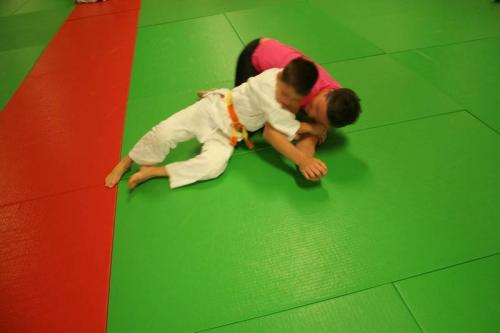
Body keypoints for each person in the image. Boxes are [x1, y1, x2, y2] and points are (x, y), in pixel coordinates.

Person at [105, 58, 328, 190]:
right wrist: (314, 129)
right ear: (279, 78)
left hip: (230, 134)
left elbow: (286, 120)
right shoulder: (268, 86)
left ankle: (154, 172)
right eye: (284, 94)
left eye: (292, 99)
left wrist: (302, 120)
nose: (286, 101)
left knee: (213, 167)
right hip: (212, 110)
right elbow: (290, 125)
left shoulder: (283, 90)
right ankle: (127, 161)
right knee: (165, 131)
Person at [232, 38, 362, 180]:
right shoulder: (299, 90)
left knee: (307, 126)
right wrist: (302, 160)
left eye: (319, 117)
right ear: (328, 92)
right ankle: (219, 97)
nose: (310, 113)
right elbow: (271, 132)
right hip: (255, 55)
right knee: (247, 124)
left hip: (281, 64)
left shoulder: (337, 99)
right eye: (316, 108)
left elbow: (312, 133)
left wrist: (309, 162)